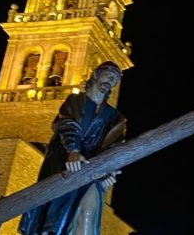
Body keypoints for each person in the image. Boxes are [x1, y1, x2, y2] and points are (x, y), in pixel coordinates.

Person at [19, 61, 127, 235]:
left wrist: (109, 171)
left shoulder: (114, 117)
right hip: (65, 164)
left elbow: (115, 146)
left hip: (92, 169)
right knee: (56, 218)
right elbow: (68, 125)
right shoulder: (75, 101)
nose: (111, 80)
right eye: (108, 74)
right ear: (95, 75)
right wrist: (73, 151)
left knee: (88, 213)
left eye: (115, 78)